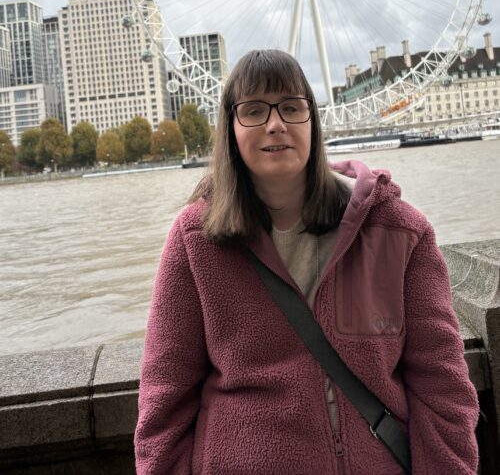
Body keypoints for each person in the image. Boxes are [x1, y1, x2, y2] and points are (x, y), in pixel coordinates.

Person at [135, 49, 479, 475]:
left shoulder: (398, 231)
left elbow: (442, 386)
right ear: (230, 128)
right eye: (254, 110)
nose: (275, 123)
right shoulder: (195, 240)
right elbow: (163, 401)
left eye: (292, 108)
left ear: (313, 121)